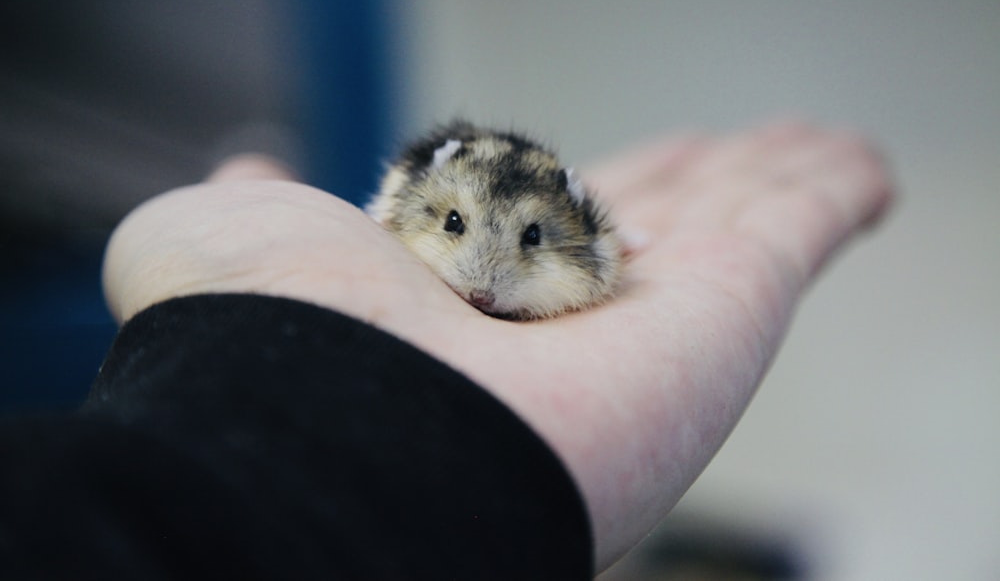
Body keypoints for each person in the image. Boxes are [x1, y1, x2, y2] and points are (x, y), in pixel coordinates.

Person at [0, 121, 893, 578]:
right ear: (423, 207)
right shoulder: (400, 199)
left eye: (531, 243)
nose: (482, 276)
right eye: (457, 228)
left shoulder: (598, 250)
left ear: (572, 233)